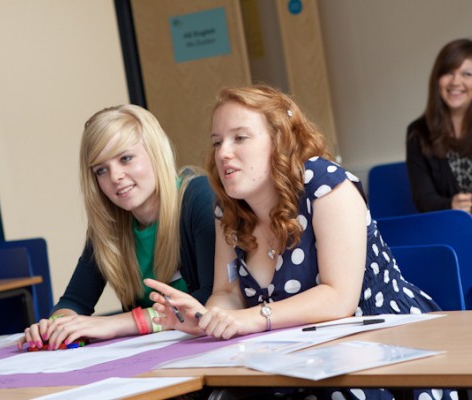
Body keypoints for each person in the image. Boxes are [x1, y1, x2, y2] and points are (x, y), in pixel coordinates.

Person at [145, 85, 458, 400]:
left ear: (279, 140)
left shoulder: (327, 185)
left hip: (379, 344)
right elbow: (227, 294)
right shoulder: (228, 207)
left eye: (240, 138)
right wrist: (208, 319)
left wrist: (251, 319)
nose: (223, 152)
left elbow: (339, 299)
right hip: (292, 352)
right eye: (217, 142)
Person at [18, 104, 215, 351]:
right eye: (101, 170)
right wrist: (56, 326)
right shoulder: (109, 226)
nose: (115, 176)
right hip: (157, 358)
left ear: (155, 152)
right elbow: (74, 301)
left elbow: (211, 300)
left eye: (126, 158)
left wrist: (114, 324)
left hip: (209, 352)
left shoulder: (199, 197)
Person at [407, 38, 472, 213]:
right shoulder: (417, 132)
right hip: (450, 230)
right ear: (437, 79)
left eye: (467, 74)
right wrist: (451, 205)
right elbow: (424, 199)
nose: (456, 82)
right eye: (449, 72)